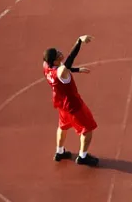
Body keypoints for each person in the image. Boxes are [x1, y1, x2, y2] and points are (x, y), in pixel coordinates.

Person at [43, 35, 99, 167]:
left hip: (61, 104)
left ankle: (59, 152)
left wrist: (78, 70)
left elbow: (64, 69)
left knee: (63, 126)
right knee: (88, 129)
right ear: (55, 61)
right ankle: (83, 157)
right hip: (74, 105)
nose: (60, 53)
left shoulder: (46, 66)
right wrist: (79, 41)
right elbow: (69, 61)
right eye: (58, 54)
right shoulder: (61, 72)